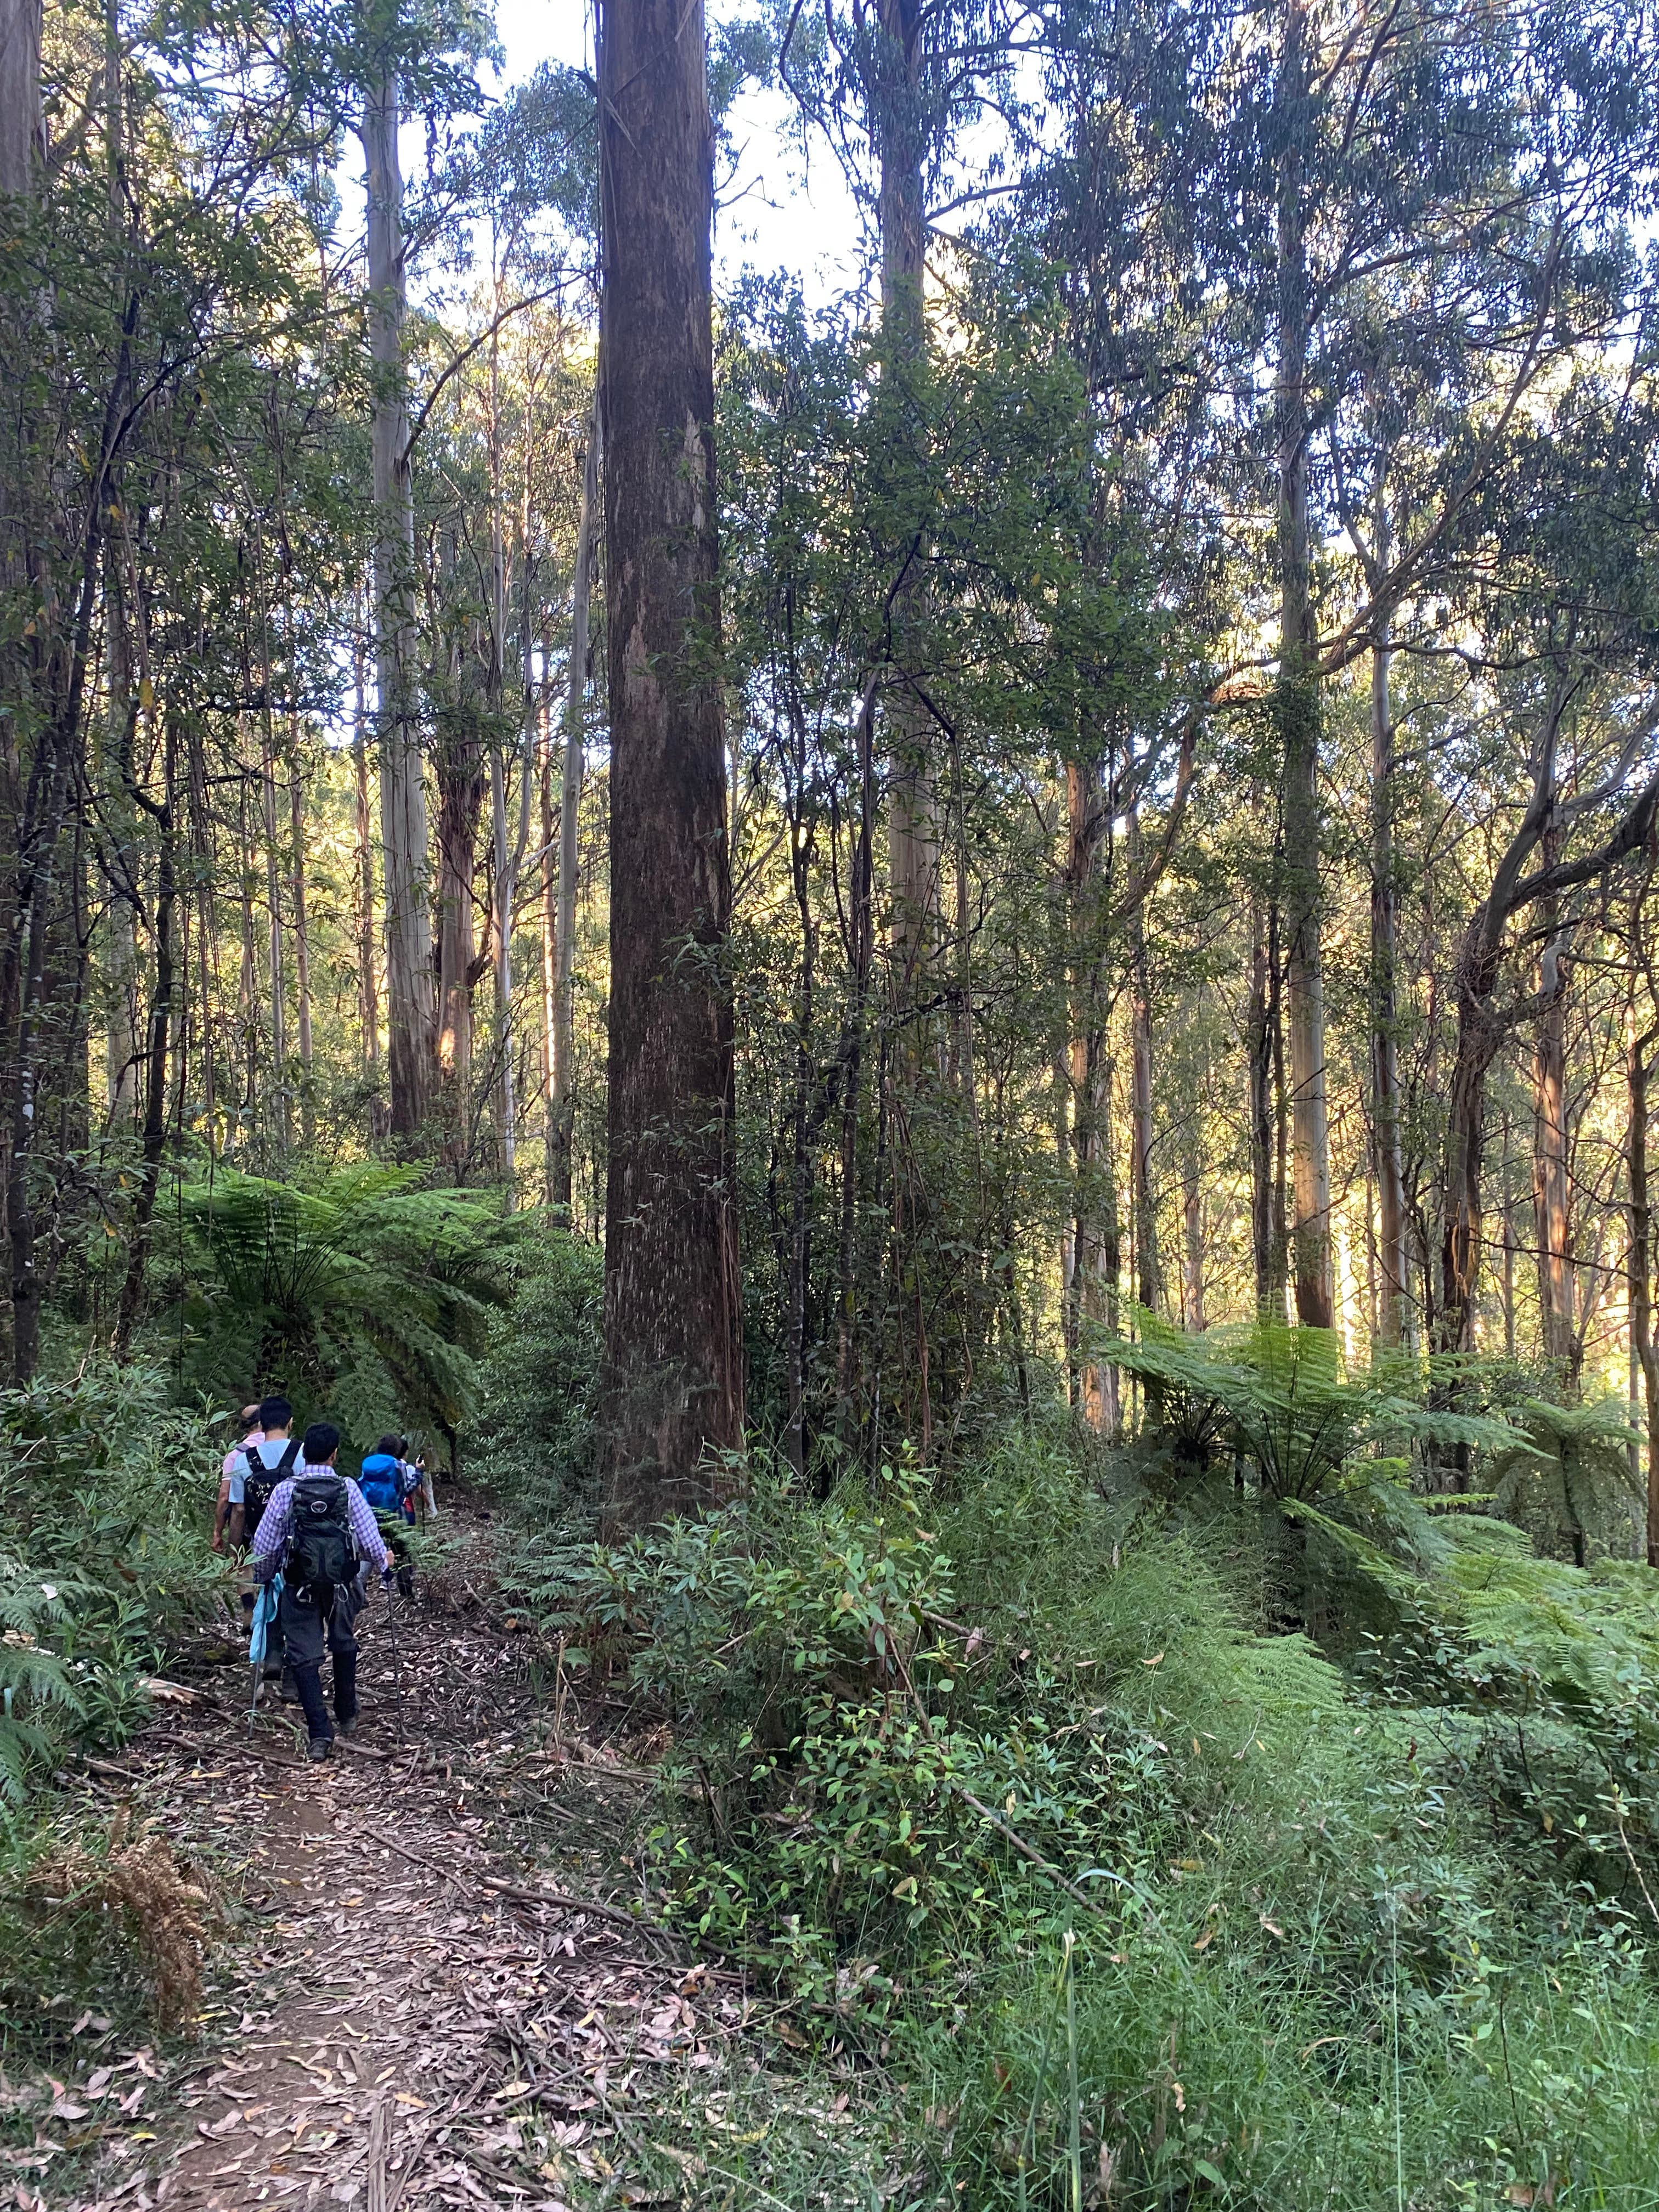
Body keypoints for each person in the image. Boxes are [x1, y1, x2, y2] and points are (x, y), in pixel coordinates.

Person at [249, 1420, 391, 1761]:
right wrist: (385, 1567)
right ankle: (346, 1711)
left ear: (303, 1454)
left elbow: (265, 1547)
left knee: (303, 1655)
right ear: (334, 1454)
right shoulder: (347, 1489)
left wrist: (264, 1577)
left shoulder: (287, 1490)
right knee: (343, 1640)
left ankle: (319, 1734)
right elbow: (371, 1542)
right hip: (343, 1584)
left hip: (299, 1585)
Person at [357, 1434, 417, 1596]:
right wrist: (419, 1473)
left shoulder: (368, 1463)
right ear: (397, 1450)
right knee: (402, 1554)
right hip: (395, 1515)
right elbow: (406, 1489)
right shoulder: (397, 1465)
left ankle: (359, 1594)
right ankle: (406, 1594)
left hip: (371, 1516)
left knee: (367, 1555)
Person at [211, 1403, 262, 1554]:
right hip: (282, 1532)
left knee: (243, 1573)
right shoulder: (286, 1450)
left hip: (247, 1532)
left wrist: (217, 1533)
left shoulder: (236, 1455)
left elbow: (225, 1496)